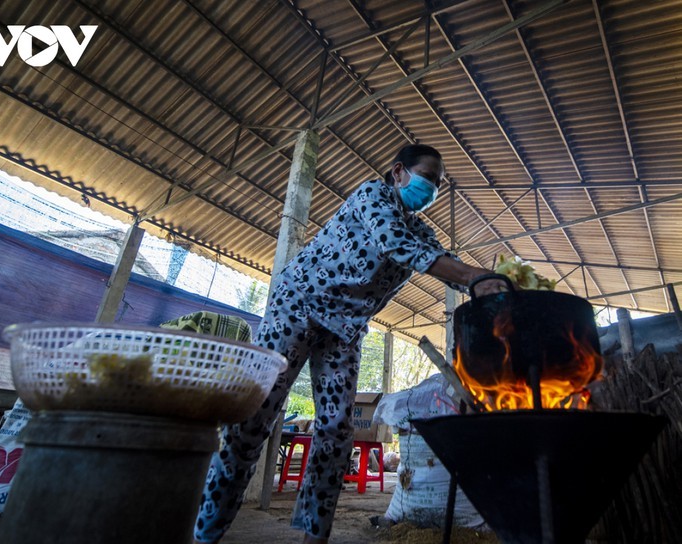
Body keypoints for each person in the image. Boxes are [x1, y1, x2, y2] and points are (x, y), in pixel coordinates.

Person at [194, 144, 506, 543]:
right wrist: (473, 277)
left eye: (439, 184)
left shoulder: (422, 230)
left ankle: (314, 535)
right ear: (398, 172)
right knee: (255, 419)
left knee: (336, 431)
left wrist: (490, 286)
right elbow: (397, 245)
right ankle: (206, 532)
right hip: (299, 303)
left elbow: (440, 260)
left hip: (345, 327)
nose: (432, 188)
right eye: (428, 176)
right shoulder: (371, 195)